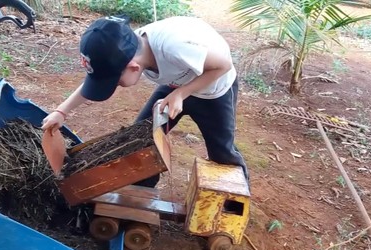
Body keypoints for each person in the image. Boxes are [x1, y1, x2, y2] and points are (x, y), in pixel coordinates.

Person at [42, 15, 248, 187]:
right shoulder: (127, 47)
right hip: (176, 83)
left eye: (113, 81)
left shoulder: (175, 47)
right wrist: (62, 111)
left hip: (213, 89)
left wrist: (182, 93)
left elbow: (224, 65)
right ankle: (142, 194)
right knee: (140, 141)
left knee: (222, 151)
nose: (112, 85)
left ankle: (236, 198)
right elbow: (98, 76)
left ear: (133, 67)